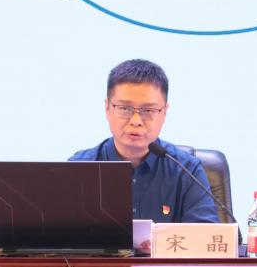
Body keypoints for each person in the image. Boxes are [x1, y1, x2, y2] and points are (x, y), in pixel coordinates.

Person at [69, 59, 219, 223]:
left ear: (164, 112)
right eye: (125, 108)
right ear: (107, 108)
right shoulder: (78, 169)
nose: (136, 121)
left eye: (148, 110)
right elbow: (62, 234)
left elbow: (205, 234)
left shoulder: (187, 171)